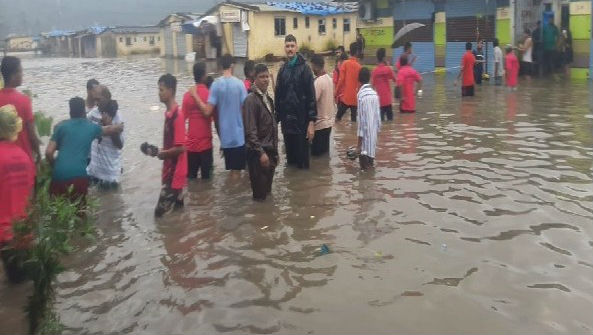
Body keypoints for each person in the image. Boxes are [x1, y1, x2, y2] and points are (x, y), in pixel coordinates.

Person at [45, 97, 123, 201]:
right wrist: (118, 126)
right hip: (79, 176)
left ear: (70, 111)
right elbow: (110, 129)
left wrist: (55, 166)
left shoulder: (61, 127)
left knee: (57, 211)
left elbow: (49, 152)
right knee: (79, 213)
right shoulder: (90, 127)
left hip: (59, 175)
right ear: (83, 112)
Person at [191, 54, 248, 175]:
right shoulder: (240, 84)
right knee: (236, 172)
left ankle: (229, 192)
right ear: (232, 65)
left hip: (225, 138)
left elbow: (207, 112)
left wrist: (195, 95)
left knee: (231, 171)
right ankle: (233, 194)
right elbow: (247, 111)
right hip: (238, 136)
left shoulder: (216, 85)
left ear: (221, 66)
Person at [0, 105, 35, 283]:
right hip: (23, 231)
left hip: (3, 232)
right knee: (21, 284)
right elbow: (31, 194)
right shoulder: (24, 156)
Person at [275, 34, 317, 169]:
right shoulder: (282, 70)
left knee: (303, 164)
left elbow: (311, 97)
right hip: (287, 125)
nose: (290, 49)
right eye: (287, 46)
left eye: (292, 46)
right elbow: (278, 97)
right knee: (290, 163)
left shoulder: (305, 69)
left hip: (302, 124)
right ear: (284, 48)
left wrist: (311, 123)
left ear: (296, 47)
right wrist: (276, 120)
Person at [153, 74, 187, 217]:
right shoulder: (169, 114)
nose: (159, 93)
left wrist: (163, 154)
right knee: (178, 212)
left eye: (161, 90)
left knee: (159, 215)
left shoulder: (177, 116)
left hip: (175, 172)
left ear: (171, 91)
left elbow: (181, 148)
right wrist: (159, 151)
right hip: (172, 169)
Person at [243, 64, 278, 201]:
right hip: (258, 155)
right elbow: (250, 131)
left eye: (267, 76)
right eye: (261, 77)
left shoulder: (267, 99)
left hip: (270, 152)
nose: (265, 80)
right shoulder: (251, 100)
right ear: (254, 79)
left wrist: (275, 153)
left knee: (267, 192)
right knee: (259, 197)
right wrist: (261, 153)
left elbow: (272, 125)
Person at [0, 56, 41, 162]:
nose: (22, 75)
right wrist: (38, 154)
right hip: (23, 158)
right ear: (14, 75)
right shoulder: (24, 100)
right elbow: (31, 134)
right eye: (21, 71)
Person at [86, 99, 124, 189]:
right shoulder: (93, 115)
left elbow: (120, 145)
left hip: (110, 176)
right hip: (93, 171)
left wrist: (110, 126)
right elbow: (83, 123)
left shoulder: (119, 122)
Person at [184, 62, 213, 180]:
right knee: (208, 181)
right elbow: (215, 120)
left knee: (191, 180)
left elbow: (181, 121)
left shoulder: (187, 95)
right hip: (206, 146)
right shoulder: (210, 95)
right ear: (204, 76)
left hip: (190, 147)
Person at [356, 68, 381, 171]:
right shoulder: (375, 94)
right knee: (370, 167)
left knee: (364, 171)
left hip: (364, 143)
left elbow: (361, 123)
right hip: (373, 140)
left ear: (359, 80)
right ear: (369, 79)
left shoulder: (361, 95)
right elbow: (378, 120)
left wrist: (358, 145)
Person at [310, 54, 335, 156]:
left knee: (316, 156)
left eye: (312, 67)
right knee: (325, 154)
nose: (312, 69)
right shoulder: (329, 79)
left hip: (320, 125)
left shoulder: (318, 82)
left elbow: (311, 102)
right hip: (329, 123)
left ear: (315, 66)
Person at [336, 42, 362, 122]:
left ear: (349, 51)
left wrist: (335, 92)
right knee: (354, 122)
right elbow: (360, 84)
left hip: (346, 98)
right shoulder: (359, 67)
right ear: (357, 52)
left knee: (337, 119)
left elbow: (341, 80)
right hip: (355, 99)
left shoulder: (345, 64)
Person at [371, 48, 396, 121]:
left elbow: (372, 87)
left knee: (381, 124)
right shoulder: (388, 69)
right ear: (384, 58)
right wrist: (388, 66)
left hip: (379, 102)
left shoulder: (374, 71)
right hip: (388, 101)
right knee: (390, 123)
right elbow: (395, 80)